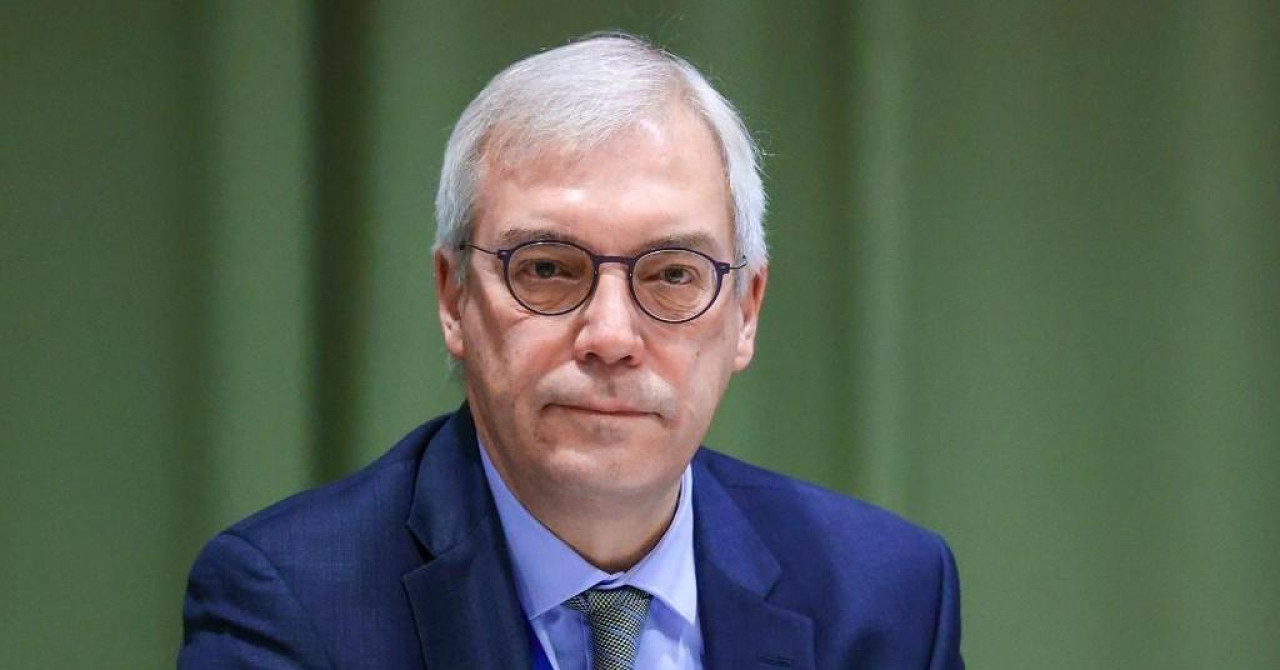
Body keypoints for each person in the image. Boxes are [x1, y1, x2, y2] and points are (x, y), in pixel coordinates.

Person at [179, 32, 963, 670]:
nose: (611, 338)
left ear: (746, 312)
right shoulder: (292, 603)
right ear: (454, 298)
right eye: (548, 270)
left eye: (672, 274)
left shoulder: (886, 599)